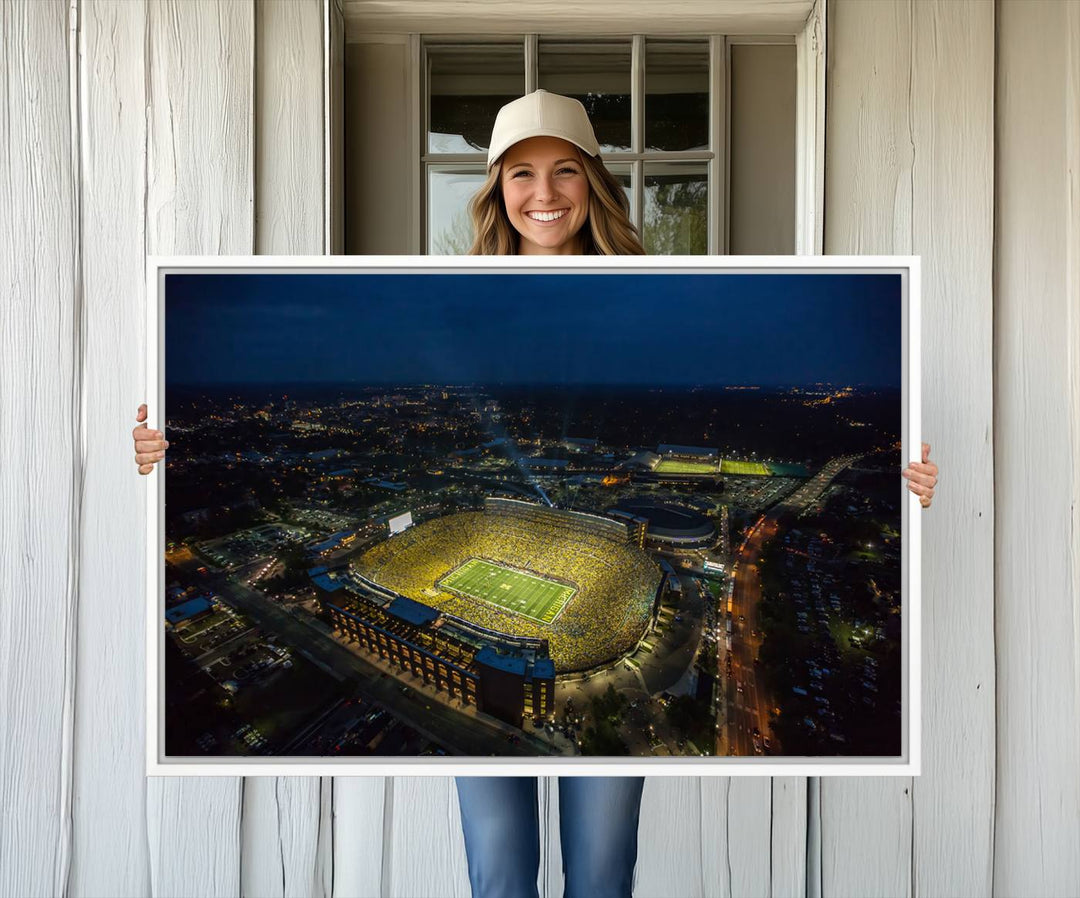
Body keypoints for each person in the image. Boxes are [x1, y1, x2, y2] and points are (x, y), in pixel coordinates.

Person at [131, 89, 940, 898]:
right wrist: (162, 453)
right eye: (521, 173)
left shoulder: (657, 285)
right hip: (494, 658)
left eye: (565, 172)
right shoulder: (458, 286)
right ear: (495, 189)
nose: (544, 193)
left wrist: (907, 485)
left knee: (600, 869)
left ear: (594, 182)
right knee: (500, 869)